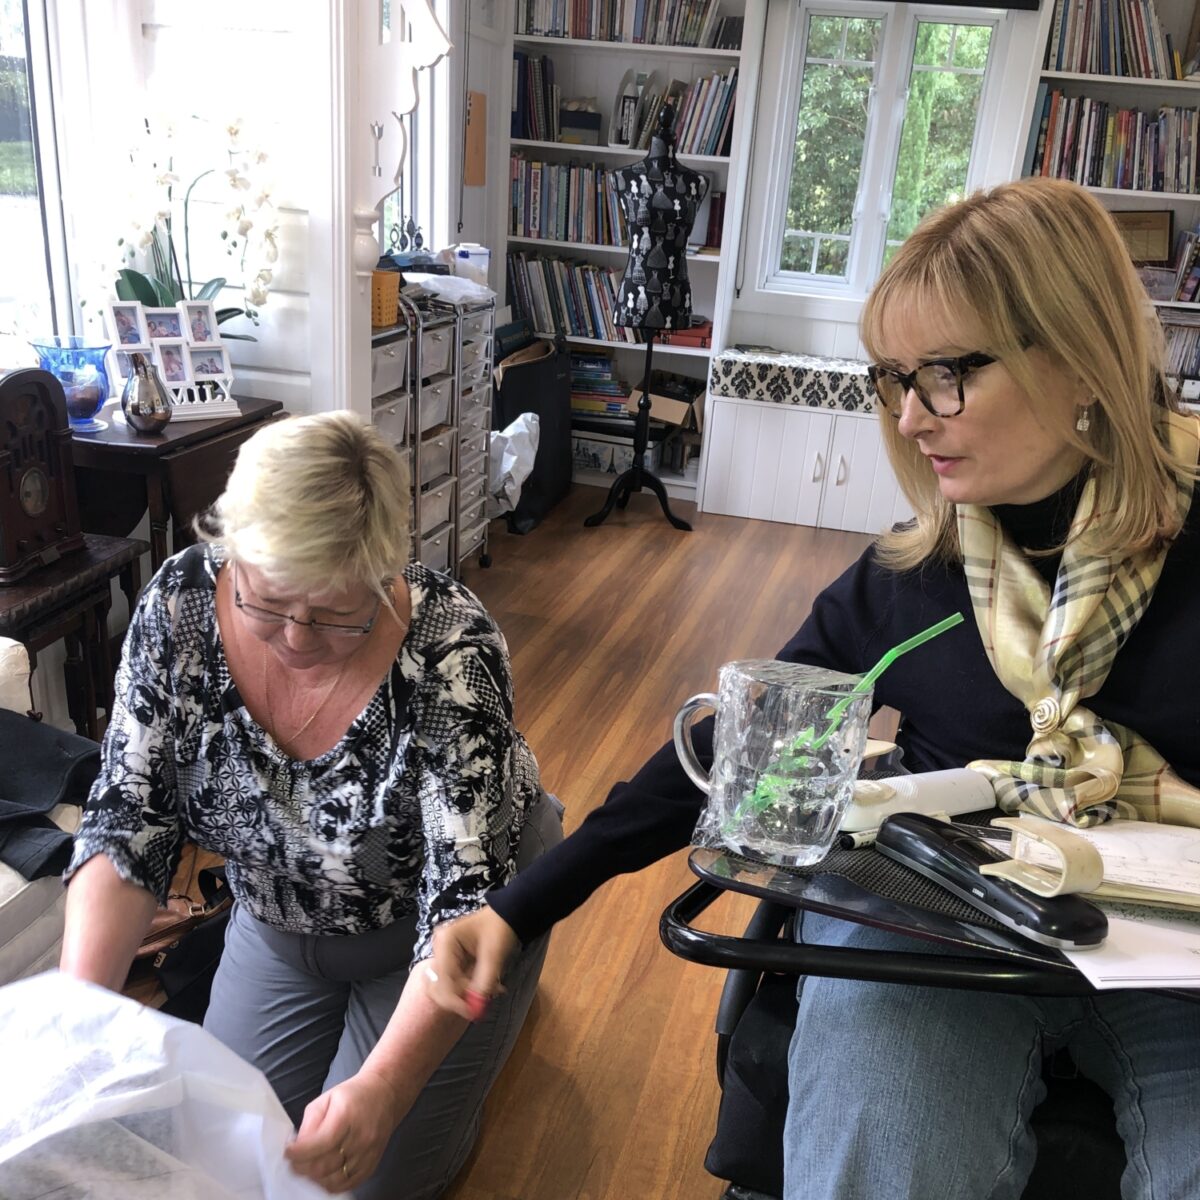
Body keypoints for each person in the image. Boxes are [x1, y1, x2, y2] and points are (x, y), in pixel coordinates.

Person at [426, 177, 1200, 1200]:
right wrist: (522, 908)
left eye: (949, 375)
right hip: (937, 920)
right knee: (890, 1145)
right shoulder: (914, 577)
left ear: (1078, 355)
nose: (912, 418)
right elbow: (733, 760)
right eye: (894, 379)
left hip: (1179, 947)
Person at [60, 411, 563, 1200]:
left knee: (357, 1181)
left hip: (438, 926)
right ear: (233, 551)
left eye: (333, 614)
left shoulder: (448, 649)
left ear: (386, 574)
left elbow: (461, 905)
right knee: (225, 1158)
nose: (294, 638)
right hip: (280, 910)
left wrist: (385, 1091)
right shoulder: (180, 608)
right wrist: (79, 1019)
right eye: (266, 602)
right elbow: (130, 818)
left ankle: (509, 1001)